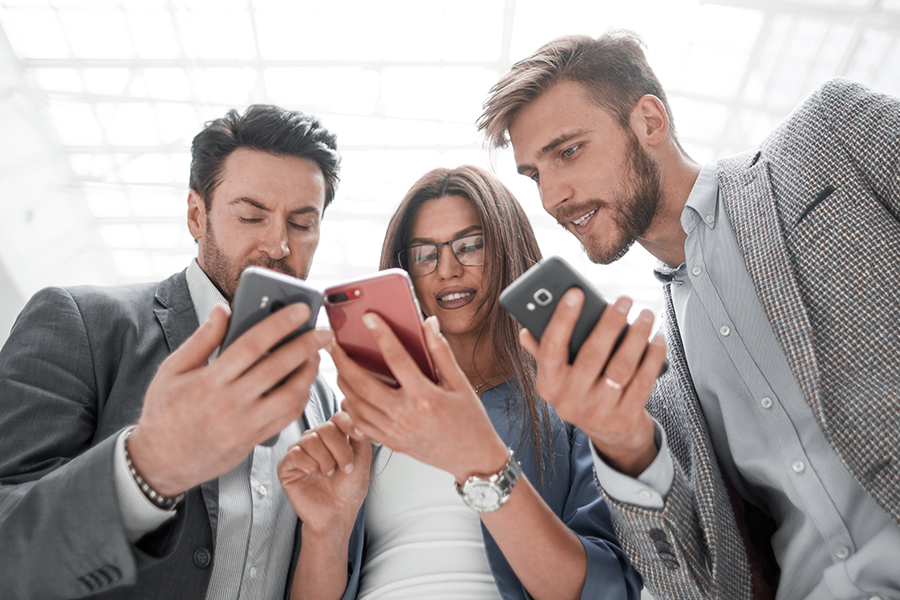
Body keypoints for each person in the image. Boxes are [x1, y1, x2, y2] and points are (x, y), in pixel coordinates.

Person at [476, 29, 900, 600]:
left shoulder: (826, 138)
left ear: (649, 121)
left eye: (568, 151)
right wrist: (622, 442)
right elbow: (695, 587)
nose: (552, 198)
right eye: (534, 175)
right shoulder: (659, 383)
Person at [0, 105, 362, 599]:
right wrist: (149, 466)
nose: (277, 245)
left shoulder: (321, 399)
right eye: (252, 215)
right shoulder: (84, 324)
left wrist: (331, 533)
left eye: (302, 223)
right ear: (197, 215)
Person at [277, 165, 643, 600]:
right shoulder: (370, 416)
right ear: (405, 270)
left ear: (508, 249)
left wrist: (480, 464)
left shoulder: (572, 398)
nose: (447, 270)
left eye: (470, 246)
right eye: (425, 254)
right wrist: (326, 534)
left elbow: (605, 589)